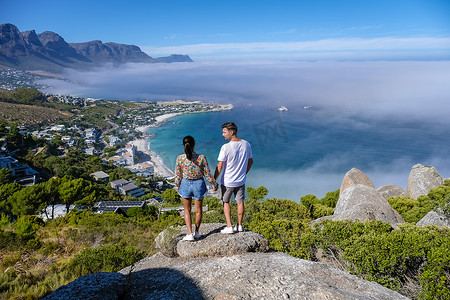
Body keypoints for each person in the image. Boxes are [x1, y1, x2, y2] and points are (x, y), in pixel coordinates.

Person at [175, 135, 218, 241]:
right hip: (198, 184)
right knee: (198, 211)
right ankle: (197, 232)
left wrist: (177, 186)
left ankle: (189, 234)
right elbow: (207, 174)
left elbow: (178, 175)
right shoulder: (201, 157)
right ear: (194, 145)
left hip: (185, 184)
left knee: (187, 210)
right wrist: (213, 183)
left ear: (183, 146)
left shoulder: (180, 159)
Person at [214, 122, 253, 234]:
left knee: (226, 202)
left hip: (227, 181)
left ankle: (229, 226)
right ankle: (239, 225)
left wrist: (214, 179)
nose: (222, 134)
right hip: (241, 181)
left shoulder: (225, 147)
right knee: (240, 202)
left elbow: (220, 166)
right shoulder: (246, 144)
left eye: (224, 132)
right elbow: (250, 161)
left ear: (231, 132)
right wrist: (244, 173)